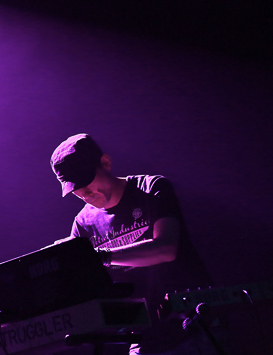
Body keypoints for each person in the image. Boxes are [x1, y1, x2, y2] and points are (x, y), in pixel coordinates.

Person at [50, 134, 221, 354]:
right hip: (142, 340)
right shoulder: (83, 223)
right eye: (74, 188)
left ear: (106, 163)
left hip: (195, 328)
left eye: (86, 180)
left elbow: (166, 248)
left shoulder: (151, 188)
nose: (83, 193)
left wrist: (101, 256)